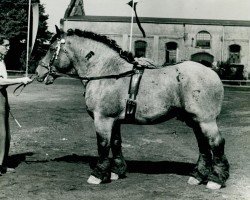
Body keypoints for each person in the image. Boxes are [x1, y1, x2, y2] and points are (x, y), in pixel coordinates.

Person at [0, 34, 32, 175]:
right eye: (5, 45)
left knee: (6, 134)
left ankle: (2, 165)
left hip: (2, 97)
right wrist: (21, 79)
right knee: (1, 134)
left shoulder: (2, 61)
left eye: (8, 45)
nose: (8, 48)